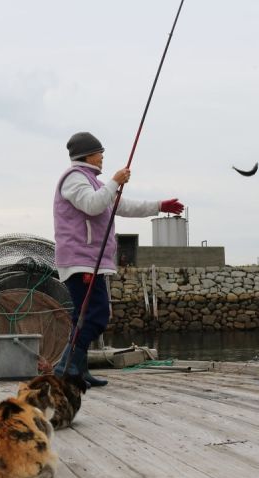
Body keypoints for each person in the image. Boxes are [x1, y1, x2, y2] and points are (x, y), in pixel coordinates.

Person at [52, 131, 183, 386]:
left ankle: (78, 369)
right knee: (96, 315)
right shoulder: (74, 179)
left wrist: (159, 206)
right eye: (99, 152)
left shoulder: (94, 182)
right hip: (80, 261)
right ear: (87, 154)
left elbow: (122, 206)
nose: (102, 157)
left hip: (91, 261)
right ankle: (65, 368)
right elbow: (92, 205)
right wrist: (114, 181)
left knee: (85, 316)